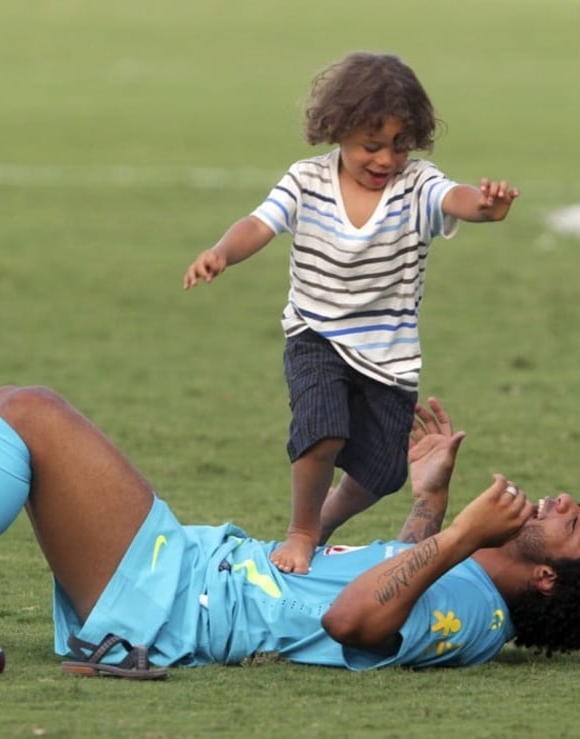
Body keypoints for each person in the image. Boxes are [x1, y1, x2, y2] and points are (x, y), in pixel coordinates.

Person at [0, 385, 580, 674]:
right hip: (188, 575)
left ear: (549, 582)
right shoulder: (462, 586)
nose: (568, 503)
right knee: (16, 414)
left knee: (24, 414)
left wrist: (455, 534)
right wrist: (429, 501)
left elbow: (357, 622)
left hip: (178, 606)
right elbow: (399, 574)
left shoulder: (479, 616)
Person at [182, 52, 521, 574]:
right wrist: (221, 252)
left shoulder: (417, 185)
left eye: (399, 145)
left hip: (388, 356)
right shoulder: (305, 180)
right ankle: (300, 531)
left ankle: (322, 523)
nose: (386, 160)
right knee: (323, 431)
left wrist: (487, 206)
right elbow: (259, 223)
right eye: (371, 145)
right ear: (336, 130)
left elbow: (457, 198)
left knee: (383, 473)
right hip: (315, 334)